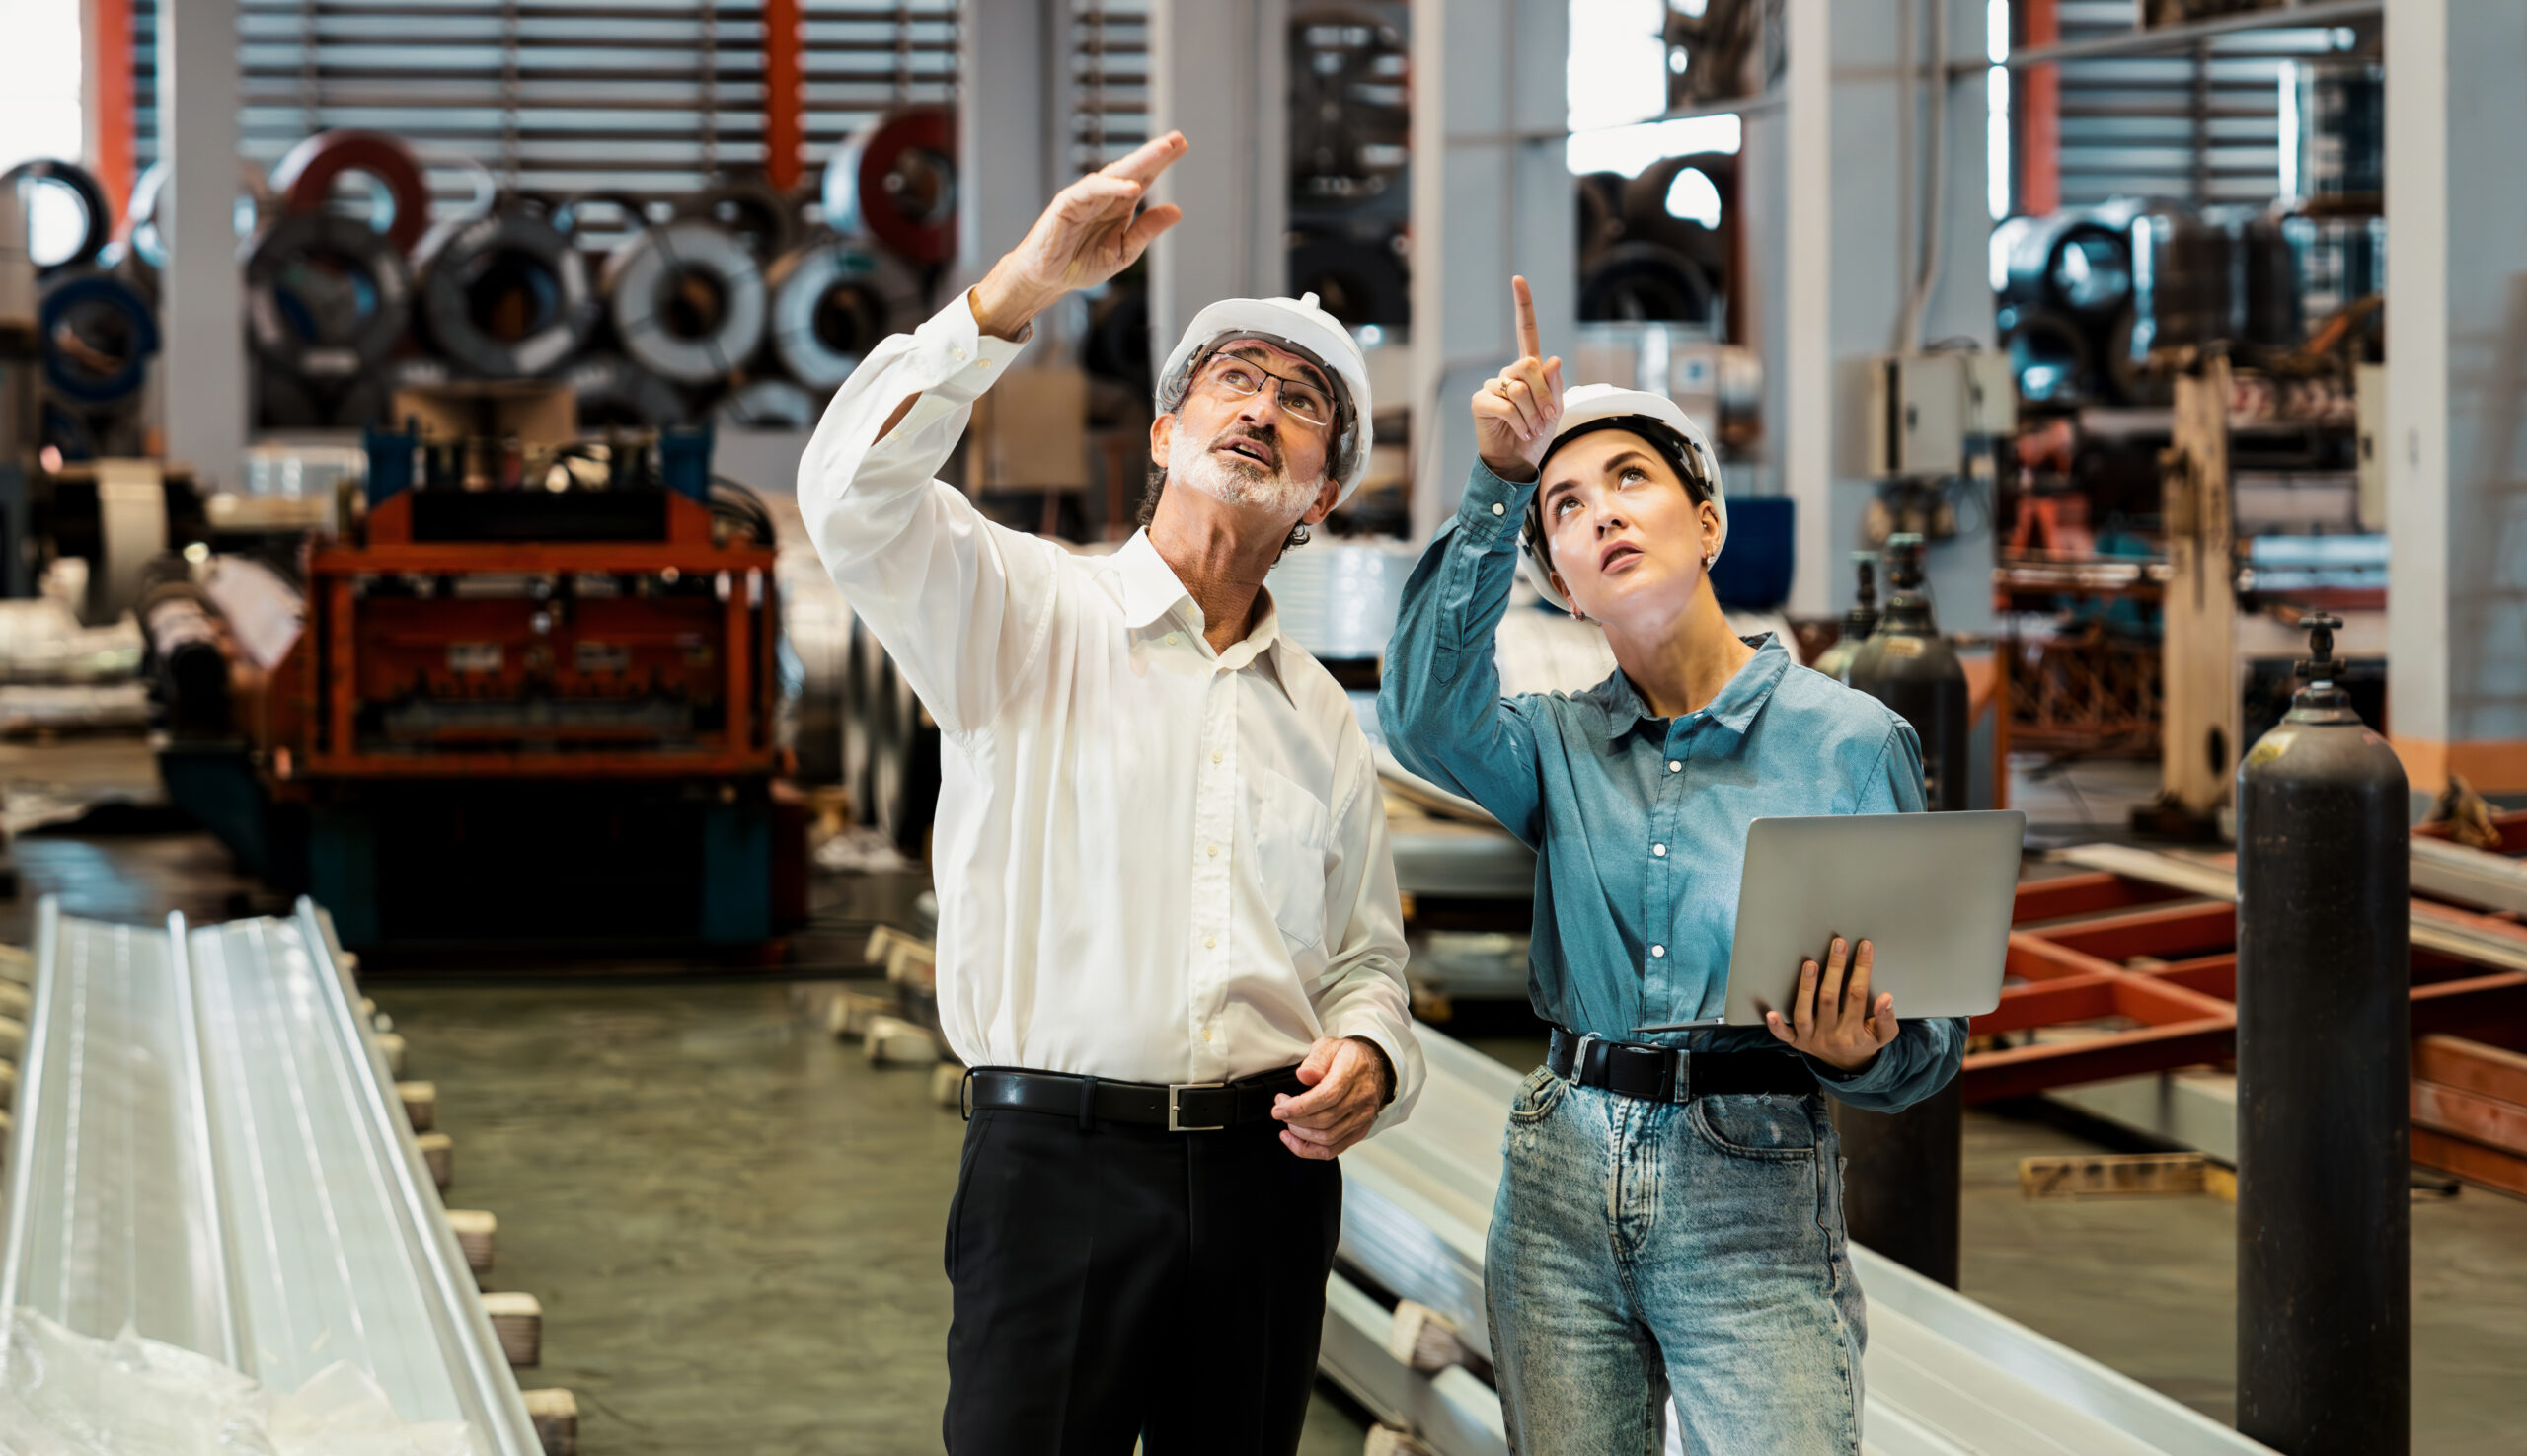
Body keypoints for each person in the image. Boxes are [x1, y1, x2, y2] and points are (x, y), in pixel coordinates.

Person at [799, 131, 1423, 1456]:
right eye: (1234, 380)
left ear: (1321, 497)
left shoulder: (1319, 716)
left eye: (1301, 402)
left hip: (1267, 1181)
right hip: (1054, 1167)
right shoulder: (1020, 608)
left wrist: (1372, 1051)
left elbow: (1367, 954)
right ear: (1162, 429)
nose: (1260, 406)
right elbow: (848, 495)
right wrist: (1014, 292)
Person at [1378, 277, 1966, 1454]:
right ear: (1557, 573)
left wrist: (1863, 1049)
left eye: (1630, 481)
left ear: (1707, 522)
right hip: (1554, 1181)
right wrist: (1498, 481)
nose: (1599, 515)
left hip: (1751, 1187)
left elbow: (1928, 1041)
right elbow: (1421, 714)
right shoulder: (1552, 746)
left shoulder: (1850, 742)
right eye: (1565, 506)